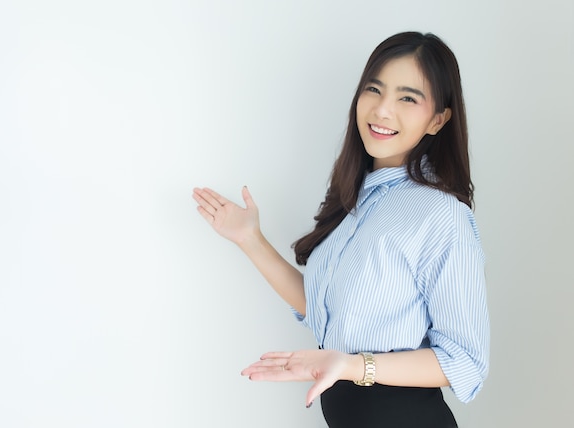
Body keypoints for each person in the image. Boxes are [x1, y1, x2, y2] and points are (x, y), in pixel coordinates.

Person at [192, 31, 489, 428]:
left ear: (438, 119)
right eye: (374, 89)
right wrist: (250, 239)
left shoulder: (439, 215)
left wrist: (352, 365)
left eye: (407, 98)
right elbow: (327, 313)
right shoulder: (355, 200)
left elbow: (464, 362)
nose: (382, 110)